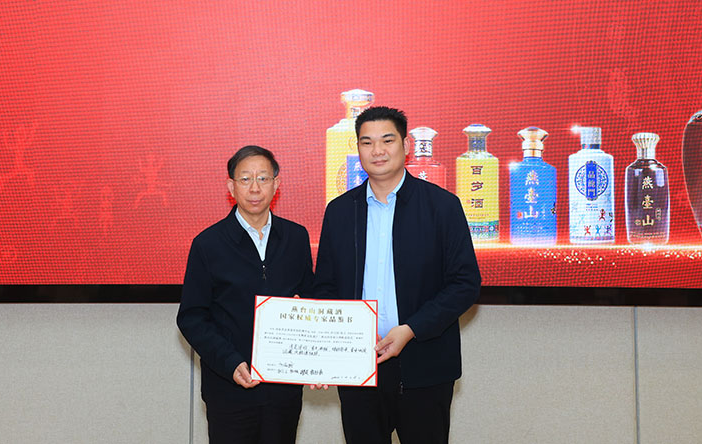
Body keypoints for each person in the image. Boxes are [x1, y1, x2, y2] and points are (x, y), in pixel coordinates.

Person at [314, 106, 481, 444]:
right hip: (358, 365)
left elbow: (465, 283)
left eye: (387, 140)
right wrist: (323, 353)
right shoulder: (340, 211)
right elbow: (326, 288)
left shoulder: (442, 206)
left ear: (405, 145)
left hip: (425, 363)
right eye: (367, 142)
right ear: (358, 149)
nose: (377, 150)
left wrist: (411, 329)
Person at [177, 145, 314, 444]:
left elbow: (311, 302)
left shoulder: (296, 238)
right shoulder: (208, 244)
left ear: (276, 184)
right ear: (231, 187)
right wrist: (230, 362)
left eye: (263, 178)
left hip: (283, 390)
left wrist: (318, 360)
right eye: (245, 179)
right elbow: (191, 317)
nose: (255, 188)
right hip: (229, 388)